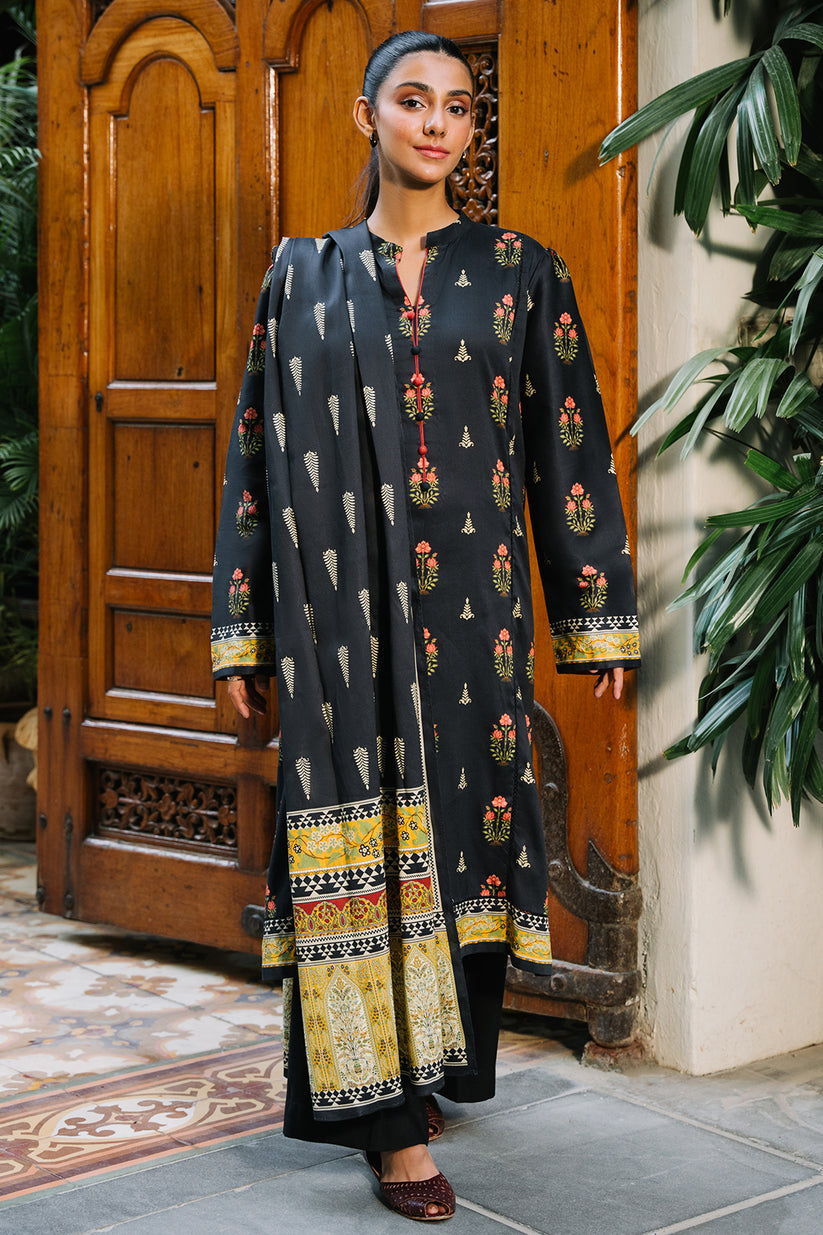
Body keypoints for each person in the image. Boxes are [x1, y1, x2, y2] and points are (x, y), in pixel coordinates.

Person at [211, 30, 639, 1222]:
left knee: (455, 845)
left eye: (456, 107)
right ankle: (389, 1130)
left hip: (472, 620)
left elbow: (568, 452)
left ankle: (424, 1067)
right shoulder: (300, 275)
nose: (437, 124)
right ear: (366, 117)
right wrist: (240, 624)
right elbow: (253, 456)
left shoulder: (519, 271)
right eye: (413, 101)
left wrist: (595, 614)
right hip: (335, 622)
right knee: (350, 846)